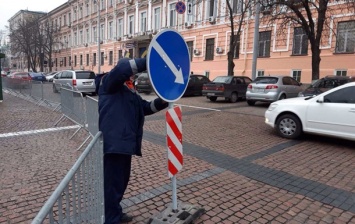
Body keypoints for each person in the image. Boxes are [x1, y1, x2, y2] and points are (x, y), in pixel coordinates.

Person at [95, 57, 168, 224]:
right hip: (114, 144)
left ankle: (116, 213)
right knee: (112, 186)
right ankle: (111, 220)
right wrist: (149, 60)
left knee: (121, 183)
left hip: (125, 144)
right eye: (132, 73)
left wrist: (163, 101)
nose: (133, 76)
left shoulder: (129, 91)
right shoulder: (108, 82)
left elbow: (145, 108)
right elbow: (120, 72)